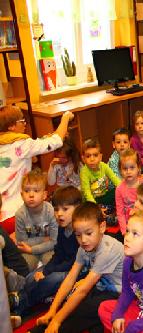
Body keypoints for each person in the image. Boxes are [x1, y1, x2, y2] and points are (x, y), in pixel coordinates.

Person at [13, 202, 124, 333]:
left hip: (118, 294)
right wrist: (53, 310)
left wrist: (57, 320)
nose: (83, 240)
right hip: (100, 287)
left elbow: (84, 289)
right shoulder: (83, 248)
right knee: (69, 302)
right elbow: (70, 278)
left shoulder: (107, 249)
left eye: (88, 233)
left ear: (102, 227)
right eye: (78, 235)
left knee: (80, 312)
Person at [0, 106, 73, 234]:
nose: (25, 124)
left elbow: (37, 143)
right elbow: (56, 141)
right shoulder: (21, 144)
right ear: (11, 126)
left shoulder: (6, 143)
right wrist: (66, 117)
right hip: (16, 214)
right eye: (21, 121)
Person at [10, 186, 82, 316]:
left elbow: (73, 262)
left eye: (65, 209)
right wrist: (45, 269)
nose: (59, 213)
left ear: (78, 208)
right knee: (32, 276)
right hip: (63, 265)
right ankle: (20, 297)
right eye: (56, 209)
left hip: (77, 270)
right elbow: (58, 254)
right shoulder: (62, 228)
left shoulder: (80, 233)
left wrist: (49, 271)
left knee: (51, 279)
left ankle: (21, 303)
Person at [15, 170, 58, 271]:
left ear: (44, 195)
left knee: (52, 264)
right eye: (27, 191)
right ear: (22, 195)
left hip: (48, 249)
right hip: (27, 251)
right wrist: (43, 239)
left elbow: (55, 241)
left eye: (36, 190)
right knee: (24, 267)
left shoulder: (50, 211)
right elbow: (22, 242)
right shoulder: (20, 215)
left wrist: (32, 248)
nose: (31, 195)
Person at [79, 138, 121, 224]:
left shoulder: (104, 166)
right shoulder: (84, 172)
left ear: (100, 157)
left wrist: (126, 190)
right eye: (88, 156)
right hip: (91, 200)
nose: (92, 159)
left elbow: (115, 180)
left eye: (95, 155)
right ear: (83, 158)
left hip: (104, 196)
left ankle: (112, 212)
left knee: (117, 191)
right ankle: (104, 214)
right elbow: (87, 193)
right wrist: (96, 208)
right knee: (86, 207)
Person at [115, 149, 142, 235]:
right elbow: (120, 212)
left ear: (138, 168)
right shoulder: (119, 189)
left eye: (132, 167)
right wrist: (124, 231)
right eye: (125, 168)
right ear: (120, 170)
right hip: (128, 225)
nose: (128, 171)